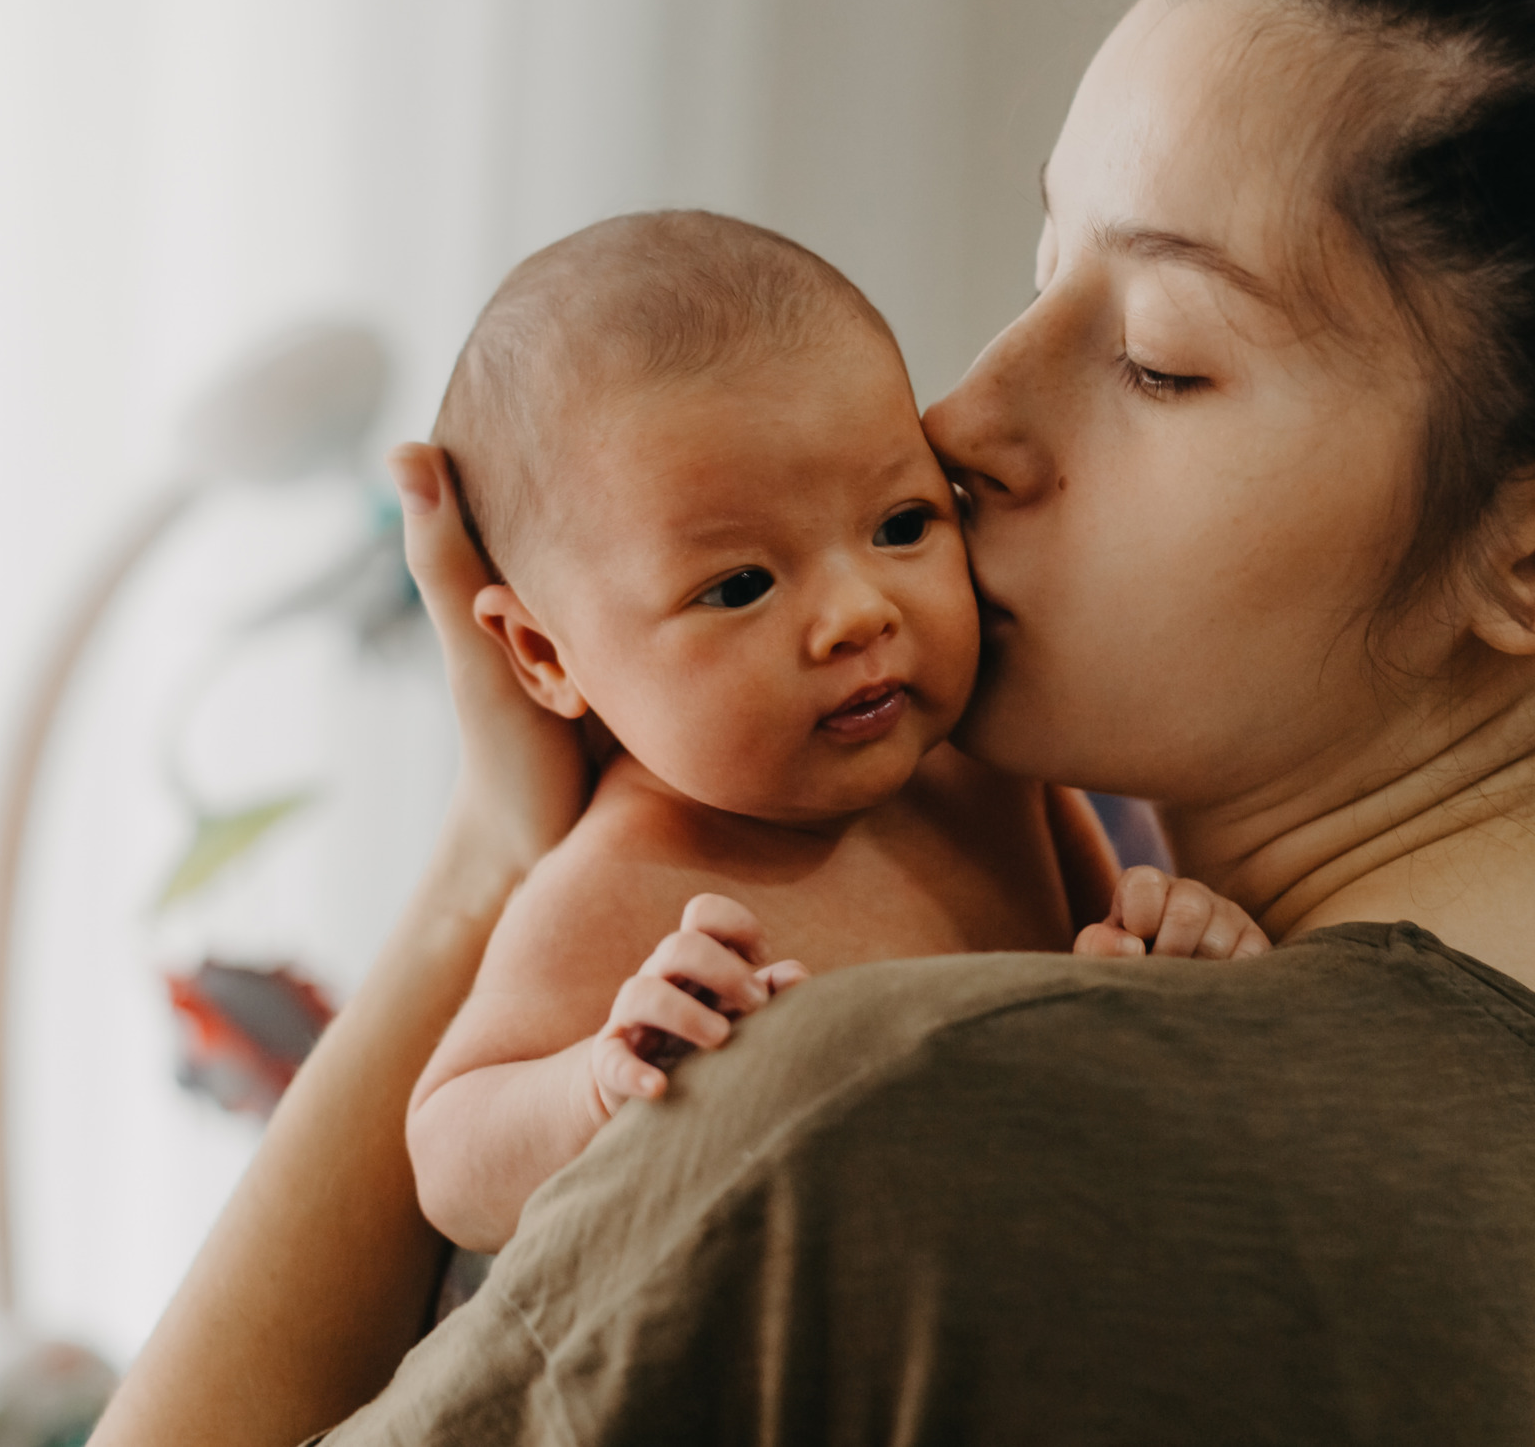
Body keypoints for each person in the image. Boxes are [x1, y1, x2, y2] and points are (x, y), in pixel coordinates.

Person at [92, 0, 1535, 1447]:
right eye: (1042, 267)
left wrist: (486, 881)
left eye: (1149, 355)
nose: (959, 426)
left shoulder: (902, 1115)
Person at [402, 208, 1259, 1252]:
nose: (860, 612)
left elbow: (1093, 968)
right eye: (741, 585)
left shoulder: (986, 782)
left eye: (902, 525)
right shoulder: (613, 882)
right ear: (543, 657)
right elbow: (450, 1159)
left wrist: (1168, 966)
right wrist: (597, 1084)